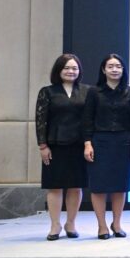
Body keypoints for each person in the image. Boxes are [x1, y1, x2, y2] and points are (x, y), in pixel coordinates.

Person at [83, 54, 130, 240]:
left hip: (124, 143)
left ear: (123, 69)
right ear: (103, 70)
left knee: (120, 186)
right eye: (110, 66)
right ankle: (101, 226)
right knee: (99, 187)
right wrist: (87, 143)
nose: (114, 69)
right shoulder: (94, 92)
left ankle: (116, 223)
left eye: (118, 66)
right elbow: (87, 119)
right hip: (100, 142)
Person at [35, 54, 89, 241]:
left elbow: (90, 120)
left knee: (75, 186)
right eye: (66, 68)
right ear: (58, 70)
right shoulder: (47, 92)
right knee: (55, 186)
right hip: (54, 145)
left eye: (74, 68)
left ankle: (71, 223)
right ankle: (55, 224)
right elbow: (40, 120)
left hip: (79, 145)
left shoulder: (87, 91)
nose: (71, 71)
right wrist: (43, 145)